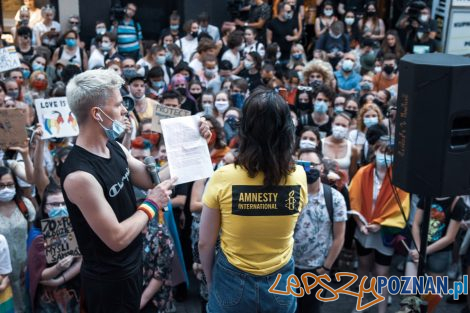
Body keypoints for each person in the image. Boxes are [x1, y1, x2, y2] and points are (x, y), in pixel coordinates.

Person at [61, 69, 210, 312]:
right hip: (108, 282)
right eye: (119, 104)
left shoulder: (115, 147)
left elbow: (153, 179)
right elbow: (117, 238)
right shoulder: (80, 175)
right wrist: (152, 204)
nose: (124, 110)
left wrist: (194, 143)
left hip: (132, 267)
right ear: (97, 114)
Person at [199, 88, 308, 313]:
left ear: (245, 130)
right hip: (281, 281)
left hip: (231, 282)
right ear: (287, 131)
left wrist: (211, 282)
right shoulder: (298, 176)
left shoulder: (223, 176)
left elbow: (205, 242)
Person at [349, 138, 410, 313]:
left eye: (390, 154)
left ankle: (381, 310)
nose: (386, 157)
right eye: (383, 152)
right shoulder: (363, 173)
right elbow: (354, 202)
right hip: (364, 229)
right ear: (375, 151)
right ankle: (359, 305)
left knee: (382, 273)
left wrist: (381, 224)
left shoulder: (399, 177)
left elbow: (401, 207)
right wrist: (360, 224)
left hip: (386, 232)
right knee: (363, 267)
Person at [294, 148, 347, 313]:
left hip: (316, 270)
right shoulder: (288, 195)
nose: (308, 169)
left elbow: (339, 237)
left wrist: (326, 267)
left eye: (313, 164)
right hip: (288, 268)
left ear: (322, 167)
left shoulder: (335, 198)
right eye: (303, 164)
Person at [28, 183, 82, 312]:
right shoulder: (37, 236)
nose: (61, 207)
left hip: (74, 291)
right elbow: (38, 275)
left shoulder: (77, 226)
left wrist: (60, 279)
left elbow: (82, 260)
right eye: (54, 204)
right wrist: (57, 268)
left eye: (64, 203)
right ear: (45, 208)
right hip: (48, 298)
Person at [0, 166, 36, 313]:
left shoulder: (24, 205)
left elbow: (34, 235)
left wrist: (33, 263)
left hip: (26, 272)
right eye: (1, 186)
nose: (6, 189)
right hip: (3, 279)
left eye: (10, 185)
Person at [321, 113, 359, 180]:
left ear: (348, 128)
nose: (340, 128)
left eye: (344, 126)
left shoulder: (352, 148)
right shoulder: (321, 144)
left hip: (343, 188)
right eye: (337, 124)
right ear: (332, 124)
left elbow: (352, 174)